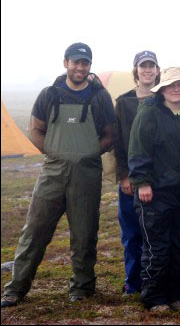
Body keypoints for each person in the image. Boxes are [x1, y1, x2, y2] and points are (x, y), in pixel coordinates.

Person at [2, 43, 116, 308]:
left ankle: (82, 288)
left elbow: (110, 134)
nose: (80, 67)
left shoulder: (99, 97)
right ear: (65, 63)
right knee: (34, 231)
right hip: (52, 172)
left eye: (85, 63)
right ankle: (16, 288)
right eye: (76, 62)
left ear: (89, 66)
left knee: (84, 234)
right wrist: (54, 152)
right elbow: (36, 129)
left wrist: (87, 152)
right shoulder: (49, 94)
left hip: (86, 175)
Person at [127, 67, 180, 311]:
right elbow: (138, 148)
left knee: (179, 245)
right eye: (171, 85)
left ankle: (175, 294)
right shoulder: (149, 111)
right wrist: (142, 182)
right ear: (162, 89)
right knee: (157, 246)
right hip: (154, 192)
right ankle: (154, 297)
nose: (176, 89)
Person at [113, 50, 160, 296]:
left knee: (156, 233)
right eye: (143, 66)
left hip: (159, 178)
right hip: (131, 178)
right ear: (136, 71)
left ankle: (155, 278)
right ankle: (133, 282)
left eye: (152, 66)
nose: (148, 70)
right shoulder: (124, 102)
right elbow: (118, 143)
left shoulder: (164, 98)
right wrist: (123, 176)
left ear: (157, 70)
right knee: (132, 232)